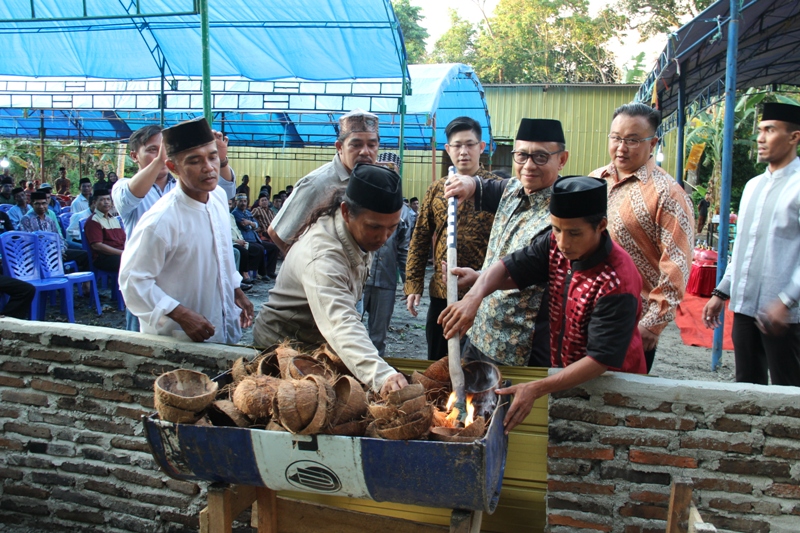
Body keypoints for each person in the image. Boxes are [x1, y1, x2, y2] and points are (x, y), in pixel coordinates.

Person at [440, 176, 646, 432]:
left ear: (601, 226)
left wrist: (536, 387)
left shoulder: (618, 281)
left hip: (611, 383)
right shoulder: (554, 244)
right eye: (556, 229)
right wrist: (474, 295)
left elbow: (599, 360)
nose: (563, 242)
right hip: (566, 374)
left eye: (574, 233)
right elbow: (509, 267)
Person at [253, 164, 409, 394]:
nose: (383, 238)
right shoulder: (322, 255)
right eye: (375, 227)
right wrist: (381, 375)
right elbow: (340, 322)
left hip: (318, 345)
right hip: (280, 349)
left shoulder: (358, 230)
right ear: (346, 212)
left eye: (392, 228)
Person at [443, 118, 570, 367]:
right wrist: (465, 183)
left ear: (562, 159)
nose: (529, 166)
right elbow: (482, 185)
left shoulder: (562, 215)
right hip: (480, 330)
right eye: (521, 156)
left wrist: (476, 290)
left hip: (519, 346)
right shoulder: (513, 188)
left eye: (541, 157)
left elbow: (523, 265)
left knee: (507, 405)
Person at [119, 117, 253, 343]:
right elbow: (133, 281)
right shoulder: (161, 219)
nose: (208, 168)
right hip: (178, 337)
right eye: (194, 161)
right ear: (173, 167)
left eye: (212, 157)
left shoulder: (218, 197)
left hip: (219, 323)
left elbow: (222, 254)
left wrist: (235, 290)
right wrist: (180, 313)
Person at [589, 102, 694, 373]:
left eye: (633, 140)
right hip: (585, 310)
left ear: (653, 143)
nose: (621, 148)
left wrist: (654, 322)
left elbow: (677, 263)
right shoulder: (595, 181)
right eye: (616, 138)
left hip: (632, 321)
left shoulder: (668, 194)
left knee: (620, 399)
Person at [703, 102, 800, 387]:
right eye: (760, 130)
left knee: (789, 391)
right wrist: (721, 291)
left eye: (770, 130)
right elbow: (742, 249)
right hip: (745, 309)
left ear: (794, 137)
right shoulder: (752, 186)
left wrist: (785, 301)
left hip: (784, 315)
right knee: (747, 387)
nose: (760, 138)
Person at [404, 116, 499, 361]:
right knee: (439, 360)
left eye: (470, 144)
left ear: (482, 147)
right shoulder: (437, 189)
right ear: (448, 149)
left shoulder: (497, 188)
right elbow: (420, 237)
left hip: (483, 291)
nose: (463, 151)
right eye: (457, 145)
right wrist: (413, 284)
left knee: (479, 362)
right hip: (442, 292)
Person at [268, 109, 380, 254]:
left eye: (371, 145)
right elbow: (278, 233)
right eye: (356, 145)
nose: (365, 151)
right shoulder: (317, 184)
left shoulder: (368, 181)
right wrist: (308, 268)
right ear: (340, 147)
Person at [363, 154, 411, 357]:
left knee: (378, 335)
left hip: (385, 280)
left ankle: (374, 379)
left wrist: (410, 284)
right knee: (348, 327)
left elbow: (404, 250)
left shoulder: (404, 212)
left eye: (392, 171)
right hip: (358, 279)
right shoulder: (361, 204)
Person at [19, 192, 89, 272]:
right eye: (37, 204)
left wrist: (60, 250)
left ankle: (85, 283)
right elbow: (28, 243)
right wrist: (52, 252)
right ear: (32, 204)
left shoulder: (49, 220)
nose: (41, 206)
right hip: (39, 255)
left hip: (56, 251)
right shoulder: (26, 220)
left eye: (44, 203)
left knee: (85, 255)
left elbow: (59, 238)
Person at [232, 193, 278, 280]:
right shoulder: (235, 213)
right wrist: (252, 225)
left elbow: (257, 225)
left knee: (273, 248)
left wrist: (250, 223)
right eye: (240, 201)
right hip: (247, 239)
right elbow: (245, 227)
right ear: (236, 202)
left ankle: (270, 271)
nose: (243, 203)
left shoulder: (248, 212)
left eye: (245, 201)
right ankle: (257, 273)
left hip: (255, 238)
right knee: (259, 248)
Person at [84, 190, 125, 273]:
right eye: (102, 200)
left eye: (108, 199)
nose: (106, 202)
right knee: (131, 262)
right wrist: (122, 253)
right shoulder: (93, 221)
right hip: (104, 257)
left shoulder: (114, 219)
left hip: (119, 253)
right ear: (95, 203)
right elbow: (97, 246)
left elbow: (124, 239)